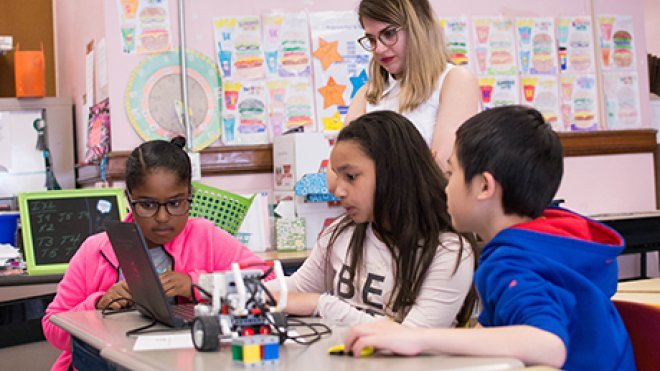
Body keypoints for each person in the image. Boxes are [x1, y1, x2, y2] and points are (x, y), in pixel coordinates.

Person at [344, 106, 636, 370]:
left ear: (484, 186)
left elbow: (549, 345)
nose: (445, 187)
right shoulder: (548, 242)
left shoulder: (511, 261)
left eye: (451, 172)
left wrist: (418, 338)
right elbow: (493, 333)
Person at [43, 137, 266, 371]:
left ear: (189, 194)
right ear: (129, 199)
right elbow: (52, 328)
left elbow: (267, 282)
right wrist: (97, 304)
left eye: (175, 203)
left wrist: (198, 284)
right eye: (148, 205)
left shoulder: (206, 238)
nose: (162, 217)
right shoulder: (96, 250)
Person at [266, 110, 476, 329]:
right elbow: (298, 287)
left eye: (351, 177)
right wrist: (242, 294)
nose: (338, 191)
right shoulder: (342, 232)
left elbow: (412, 338)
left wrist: (322, 305)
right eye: (338, 176)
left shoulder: (448, 251)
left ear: (393, 172)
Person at [347, 0, 479, 171]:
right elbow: (337, 175)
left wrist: (366, 171)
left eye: (388, 34)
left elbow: (443, 170)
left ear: (418, 29)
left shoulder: (454, 80)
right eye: (371, 39)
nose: (378, 49)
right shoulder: (367, 94)